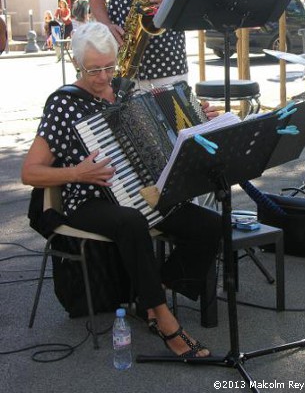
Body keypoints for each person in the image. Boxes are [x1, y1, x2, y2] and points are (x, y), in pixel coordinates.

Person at [21, 22, 221, 358]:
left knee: (209, 224)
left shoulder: (128, 93)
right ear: (77, 65)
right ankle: (166, 322)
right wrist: (77, 173)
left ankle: (153, 293)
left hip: (141, 191)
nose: (102, 77)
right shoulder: (63, 105)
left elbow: (168, 139)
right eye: (93, 69)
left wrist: (198, 118)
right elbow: (29, 172)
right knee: (131, 222)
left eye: (109, 67)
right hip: (87, 200)